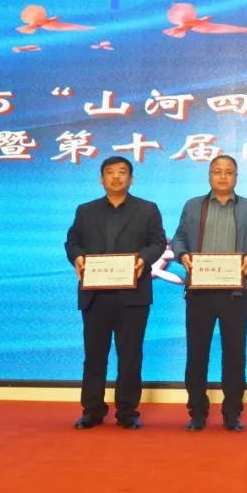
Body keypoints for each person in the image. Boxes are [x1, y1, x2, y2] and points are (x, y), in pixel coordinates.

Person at [65, 156, 166, 430]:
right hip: (95, 295)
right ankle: (92, 410)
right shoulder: (85, 210)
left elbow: (158, 242)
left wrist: (143, 259)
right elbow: (72, 242)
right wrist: (77, 257)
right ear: (102, 179)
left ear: (131, 178)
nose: (116, 177)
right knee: (94, 355)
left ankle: (127, 411)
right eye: (110, 172)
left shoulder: (147, 209)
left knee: (130, 355)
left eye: (122, 172)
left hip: (133, 295)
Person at [170, 155, 247, 433]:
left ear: (236, 177)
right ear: (209, 175)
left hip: (236, 294)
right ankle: (197, 412)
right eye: (217, 171)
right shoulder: (193, 206)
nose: (223, 176)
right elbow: (179, 237)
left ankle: (232, 413)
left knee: (235, 354)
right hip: (199, 293)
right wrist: (182, 254)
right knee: (197, 354)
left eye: (229, 172)